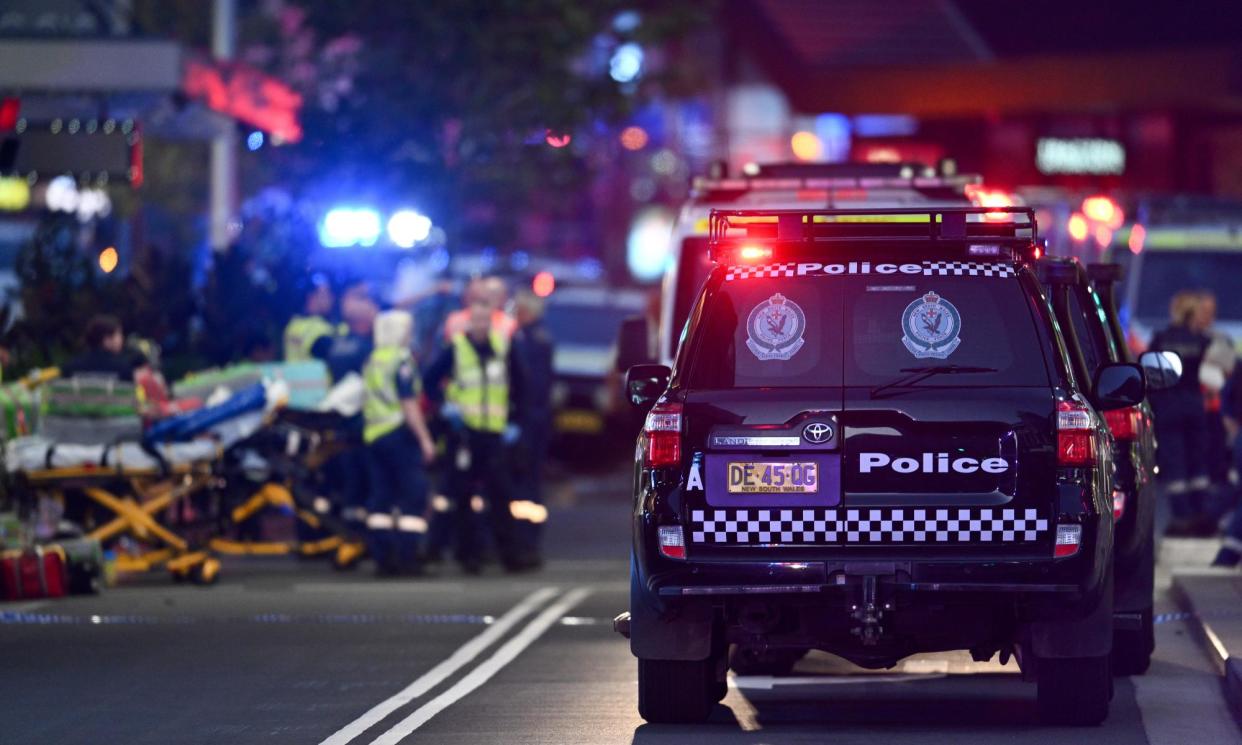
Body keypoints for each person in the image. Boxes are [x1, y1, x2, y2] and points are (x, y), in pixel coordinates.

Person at [423, 298, 530, 573]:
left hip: (494, 434)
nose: (481, 325)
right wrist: (445, 408)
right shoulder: (456, 348)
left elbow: (521, 385)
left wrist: (514, 421)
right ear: (470, 322)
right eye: (477, 319)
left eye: (486, 320)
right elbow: (429, 380)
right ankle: (468, 556)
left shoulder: (503, 348)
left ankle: (510, 555)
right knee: (463, 497)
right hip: (465, 435)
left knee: (501, 496)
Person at [361, 310, 437, 576]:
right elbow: (408, 403)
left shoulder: (373, 359)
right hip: (398, 433)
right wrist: (425, 439)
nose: (409, 334)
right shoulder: (401, 360)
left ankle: (383, 558)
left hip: (373, 435)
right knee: (413, 496)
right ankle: (408, 558)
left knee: (380, 498)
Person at [1149, 290, 1213, 536]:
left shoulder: (1161, 339)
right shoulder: (1203, 341)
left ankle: (1182, 517)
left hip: (1168, 407)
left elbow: (1152, 376)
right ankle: (1201, 514)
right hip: (1195, 406)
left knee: (1174, 464)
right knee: (1198, 462)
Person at [508, 290, 555, 567]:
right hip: (534, 422)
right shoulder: (540, 338)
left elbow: (530, 387)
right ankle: (525, 544)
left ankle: (526, 545)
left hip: (529, 424)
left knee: (525, 486)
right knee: (528, 486)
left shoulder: (530, 341)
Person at [62, 315, 142, 381]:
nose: (122, 339)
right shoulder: (123, 369)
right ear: (106, 340)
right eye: (119, 334)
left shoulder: (70, 367)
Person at [283, 275, 340, 362]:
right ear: (311, 297)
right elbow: (332, 352)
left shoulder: (293, 324)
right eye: (326, 295)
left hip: (295, 375)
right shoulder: (313, 326)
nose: (331, 299)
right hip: (313, 375)